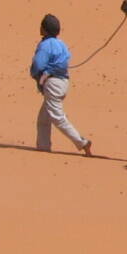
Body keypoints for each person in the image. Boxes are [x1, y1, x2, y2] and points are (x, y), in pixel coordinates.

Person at [30, 14, 92, 156]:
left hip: (52, 83)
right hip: (62, 82)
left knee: (57, 117)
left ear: (44, 29)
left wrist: (38, 75)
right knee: (43, 118)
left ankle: (82, 142)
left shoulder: (45, 45)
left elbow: (38, 64)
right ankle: (43, 146)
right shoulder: (61, 44)